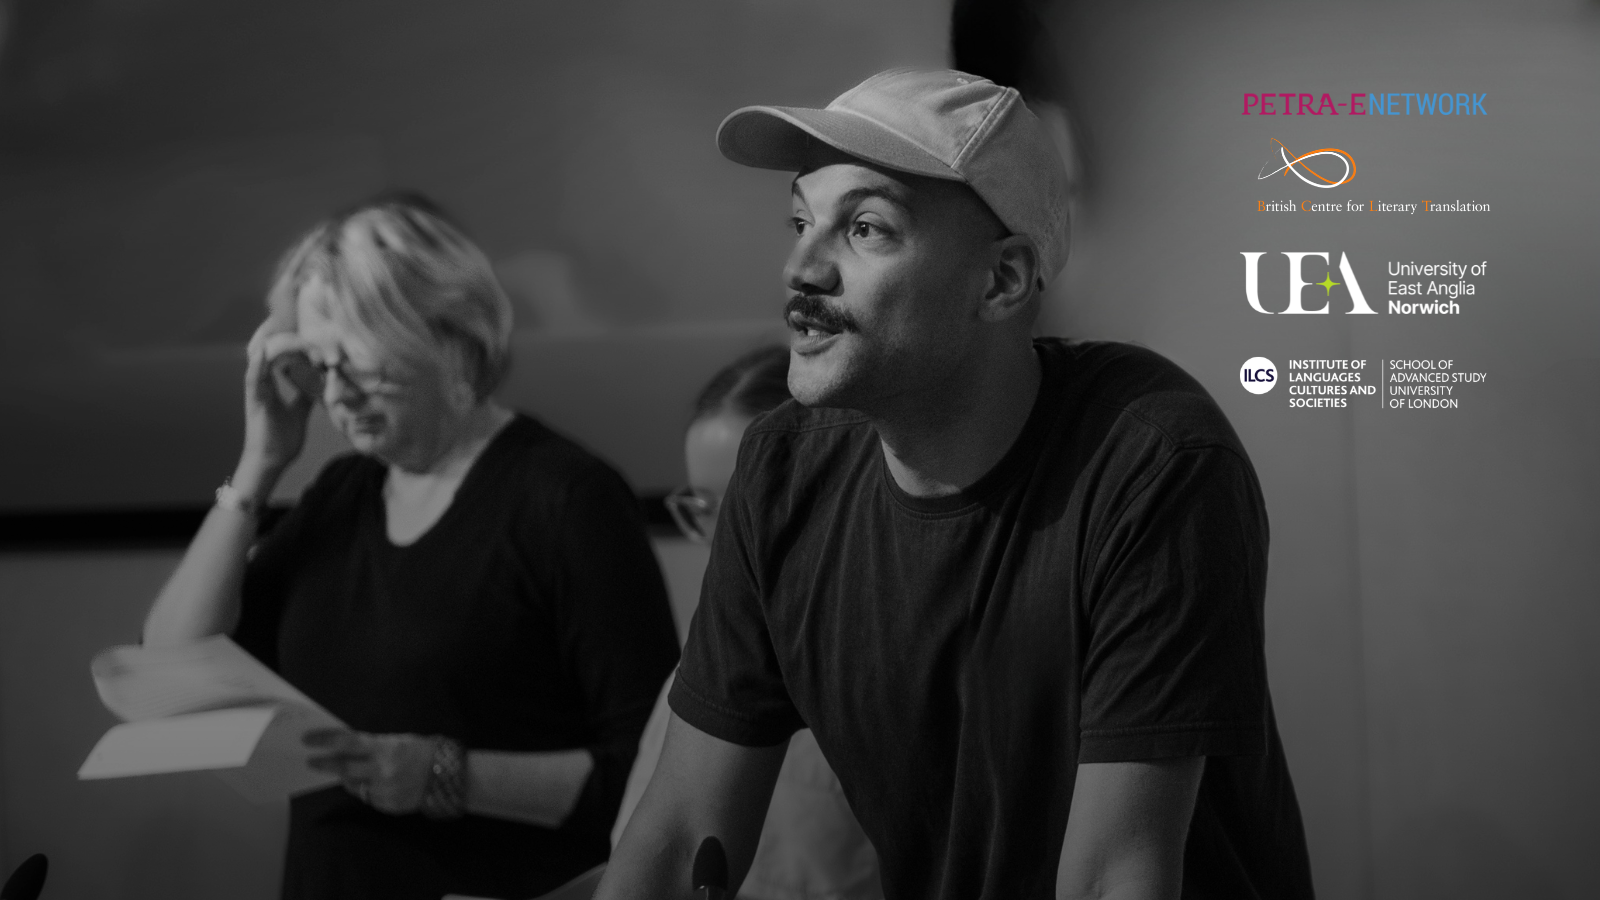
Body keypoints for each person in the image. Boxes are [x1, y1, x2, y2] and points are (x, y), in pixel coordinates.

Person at [597, 69, 1314, 900]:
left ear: (1003, 281)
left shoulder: (1154, 460)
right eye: (800, 220)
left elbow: (1116, 875)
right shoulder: (780, 470)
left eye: (865, 228)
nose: (802, 267)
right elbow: (682, 831)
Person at [142, 194, 680, 900]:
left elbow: (656, 774)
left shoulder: (567, 499)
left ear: (450, 338)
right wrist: (260, 464)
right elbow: (174, 665)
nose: (337, 395)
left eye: (359, 363)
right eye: (318, 366)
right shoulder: (341, 494)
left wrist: (446, 776)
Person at [613, 345, 882, 900]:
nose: (720, 541)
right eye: (701, 509)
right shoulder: (700, 669)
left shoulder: (879, 671)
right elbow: (644, 856)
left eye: (739, 505)